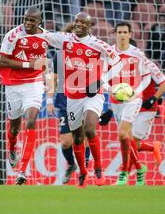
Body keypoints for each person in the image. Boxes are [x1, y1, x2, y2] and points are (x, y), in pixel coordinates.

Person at [43, 12, 123, 187]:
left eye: (82, 22)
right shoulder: (64, 42)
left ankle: (99, 169)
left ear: (90, 26)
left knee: (89, 128)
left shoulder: (98, 45)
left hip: (93, 94)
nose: (78, 24)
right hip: (71, 97)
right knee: (76, 138)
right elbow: (45, 36)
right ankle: (82, 172)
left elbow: (119, 62)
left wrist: (101, 81)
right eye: (76, 21)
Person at [0, 7, 49, 185]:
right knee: (14, 128)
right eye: (26, 19)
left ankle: (23, 170)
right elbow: (3, 60)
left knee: (31, 120)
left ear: (39, 22)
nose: (28, 23)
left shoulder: (46, 37)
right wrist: (30, 64)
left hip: (34, 84)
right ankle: (12, 147)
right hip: (13, 85)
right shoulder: (13, 35)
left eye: (32, 21)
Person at [107, 22, 151, 186]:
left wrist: (137, 91)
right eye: (119, 32)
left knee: (121, 133)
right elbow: (102, 76)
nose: (122, 35)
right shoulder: (109, 53)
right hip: (116, 100)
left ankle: (123, 174)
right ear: (115, 34)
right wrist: (110, 89)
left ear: (130, 34)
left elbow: (146, 76)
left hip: (133, 99)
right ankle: (139, 168)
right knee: (126, 137)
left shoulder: (137, 54)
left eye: (125, 32)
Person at [46, 24, 91, 184]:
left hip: (83, 100)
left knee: (83, 138)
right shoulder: (60, 56)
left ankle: (83, 171)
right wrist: (49, 100)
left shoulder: (88, 53)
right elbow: (53, 78)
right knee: (66, 141)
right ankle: (71, 164)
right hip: (64, 102)